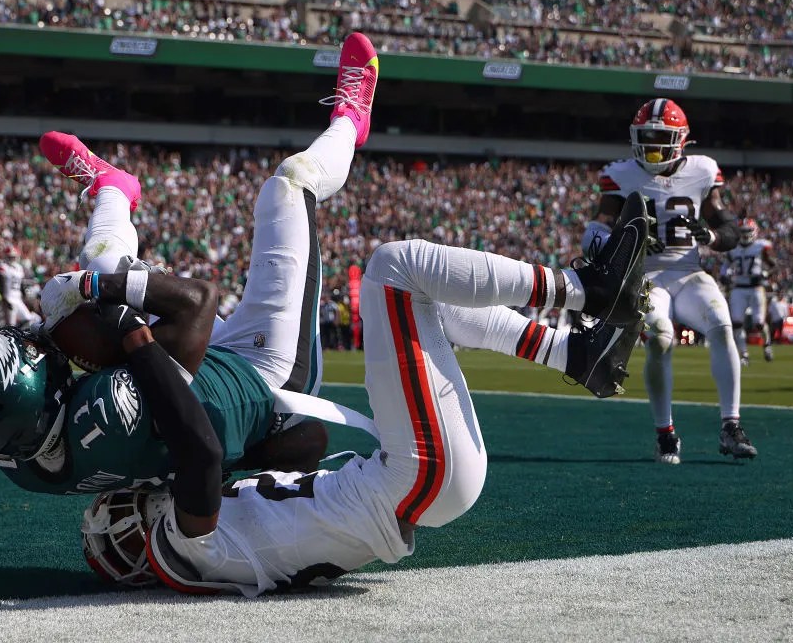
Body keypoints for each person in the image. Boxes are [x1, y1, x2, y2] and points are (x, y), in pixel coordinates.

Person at [79, 193, 650, 595]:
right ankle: (582, 289)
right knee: (392, 268)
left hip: (419, 487)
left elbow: (310, 439)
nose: (128, 509)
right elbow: (199, 452)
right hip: (411, 480)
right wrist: (139, 342)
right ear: (134, 564)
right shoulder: (185, 552)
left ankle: (573, 354)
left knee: (422, 300)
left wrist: (248, 452)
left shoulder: (222, 536)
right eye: (118, 531)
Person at [0, 32, 385, 494]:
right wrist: (92, 289)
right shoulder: (114, 408)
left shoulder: (23, 462)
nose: (40, 341)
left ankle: (112, 187)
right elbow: (196, 303)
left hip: (199, 368)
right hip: (261, 374)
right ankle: (350, 120)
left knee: (102, 256)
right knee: (291, 185)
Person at [584, 98, 754, 464]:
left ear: (680, 140)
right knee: (661, 337)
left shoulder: (703, 171)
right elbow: (596, 232)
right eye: (646, 136)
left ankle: (731, 425)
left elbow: (727, 229)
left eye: (660, 137)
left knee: (722, 326)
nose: (651, 145)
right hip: (647, 276)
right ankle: (665, 434)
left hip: (689, 272)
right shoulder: (621, 174)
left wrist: (709, 237)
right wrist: (627, 241)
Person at [721, 218, 776, 364]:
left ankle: (767, 345)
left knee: (758, 322)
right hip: (738, 288)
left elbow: (773, 265)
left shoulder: (761, 246)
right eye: (743, 231)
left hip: (756, 287)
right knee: (737, 322)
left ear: (755, 231)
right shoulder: (733, 249)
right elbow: (725, 267)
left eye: (748, 231)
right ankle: (744, 354)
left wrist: (764, 274)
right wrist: (724, 276)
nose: (745, 234)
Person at [0, 246, 33, 327]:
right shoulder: (3, 266)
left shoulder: (19, 267)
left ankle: (19, 336)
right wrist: (5, 299)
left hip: (18, 298)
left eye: (13, 256)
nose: (12, 258)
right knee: (11, 324)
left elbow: (21, 284)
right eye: (10, 256)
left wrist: (24, 295)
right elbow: (1, 284)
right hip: (9, 298)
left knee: (28, 319)